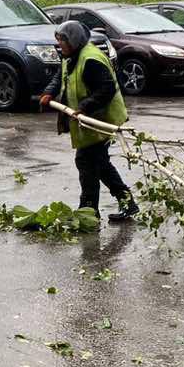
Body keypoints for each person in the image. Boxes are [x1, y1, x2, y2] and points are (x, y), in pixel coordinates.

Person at [39, 20, 139, 223]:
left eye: (62, 41)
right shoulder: (70, 56)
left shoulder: (90, 59)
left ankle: (89, 209)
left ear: (73, 40)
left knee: (87, 162)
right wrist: (49, 92)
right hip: (87, 121)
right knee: (98, 163)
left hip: (102, 120)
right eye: (58, 41)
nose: (60, 45)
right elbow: (61, 76)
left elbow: (107, 89)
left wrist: (85, 106)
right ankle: (120, 204)